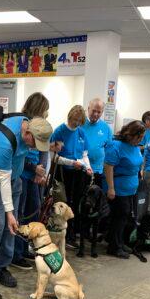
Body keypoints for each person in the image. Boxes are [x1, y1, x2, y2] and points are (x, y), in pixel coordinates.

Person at [0, 115, 52, 292]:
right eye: (35, 143)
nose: (35, 148)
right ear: (28, 132)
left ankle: (0, 267)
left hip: (13, 180)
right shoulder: (4, 141)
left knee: (12, 227)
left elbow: (12, 174)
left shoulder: (29, 125)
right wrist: (9, 212)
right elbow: (3, 178)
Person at [12, 92, 49, 270]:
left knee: (33, 213)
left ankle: (24, 247)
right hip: (22, 173)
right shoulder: (24, 123)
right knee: (19, 215)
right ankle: (15, 253)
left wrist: (40, 171)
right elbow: (20, 153)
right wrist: (34, 169)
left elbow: (44, 150)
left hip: (35, 175)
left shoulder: (41, 125)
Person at [51, 105, 93, 247]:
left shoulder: (81, 132)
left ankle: (72, 234)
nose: (75, 123)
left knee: (76, 203)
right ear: (69, 117)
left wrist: (88, 167)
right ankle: (62, 234)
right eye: (74, 120)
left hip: (78, 172)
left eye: (78, 121)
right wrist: (71, 162)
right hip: (63, 172)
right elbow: (54, 157)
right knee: (64, 203)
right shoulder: (59, 131)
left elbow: (84, 155)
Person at [104, 120, 145, 258]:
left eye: (141, 138)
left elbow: (138, 163)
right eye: (138, 137)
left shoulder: (135, 147)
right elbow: (108, 167)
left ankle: (119, 242)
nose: (140, 140)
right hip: (118, 187)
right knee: (120, 216)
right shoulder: (116, 146)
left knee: (125, 216)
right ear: (130, 134)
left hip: (131, 187)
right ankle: (114, 247)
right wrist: (111, 188)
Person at [83, 98, 113, 188]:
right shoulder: (80, 124)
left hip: (97, 171)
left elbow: (109, 149)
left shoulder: (106, 128)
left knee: (95, 200)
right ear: (88, 109)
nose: (96, 114)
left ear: (102, 112)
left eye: (99, 112)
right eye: (93, 111)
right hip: (81, 169)